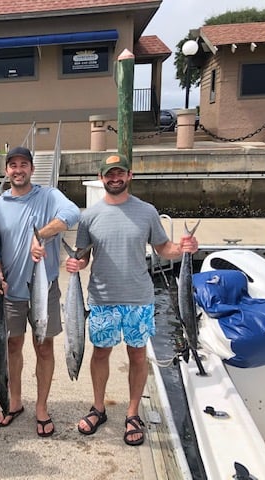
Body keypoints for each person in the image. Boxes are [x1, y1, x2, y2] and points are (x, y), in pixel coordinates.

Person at [65, 153, 198, 446]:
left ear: (129, 175)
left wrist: (185, 248)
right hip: (102, 298)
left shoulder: (147, 212)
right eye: (109, 174)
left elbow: (163, 248)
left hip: (139, 298)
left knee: (137, 355)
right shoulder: (89, 216)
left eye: (120, 173)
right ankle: (98, 408)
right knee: (100, 353)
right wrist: (76, 264)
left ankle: (133, 413)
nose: (114, 178)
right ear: (102, 178)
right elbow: (83, 256)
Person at [0, 146, 80, 437]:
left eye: (23, 164)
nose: (18, 170)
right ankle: (14, 402)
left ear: (31, 168)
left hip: (46, 289)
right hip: (11, 290)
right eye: (12, 165)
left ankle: (41, 407)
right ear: (6, 171)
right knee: (12, 347)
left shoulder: (49, 195)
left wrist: (42, 234)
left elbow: (73, 213)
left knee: (44, 346)